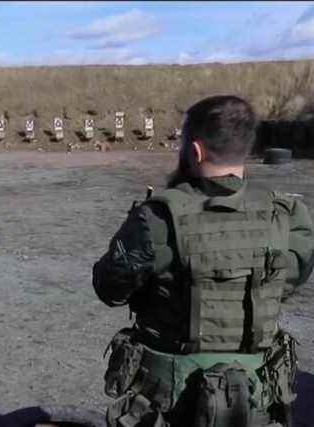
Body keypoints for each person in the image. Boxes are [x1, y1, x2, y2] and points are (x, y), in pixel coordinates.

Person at [93, 95, 314, 427]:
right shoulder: (288, 216)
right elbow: (285, 284)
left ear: (194, 150)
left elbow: (110, 288)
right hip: (254, 402)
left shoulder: (156, 218)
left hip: (166, 404)